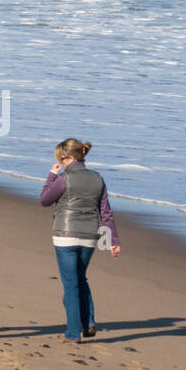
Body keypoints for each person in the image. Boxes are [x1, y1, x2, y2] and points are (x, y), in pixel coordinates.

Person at [39, 138, 120, 342]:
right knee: (80, 279)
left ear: (70, 158)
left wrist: (51, 175)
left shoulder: (63, 178)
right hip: (90, 235)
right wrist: (113, 240)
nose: (60, 162)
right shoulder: (97, 178)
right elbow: (106, 212)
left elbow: (45, 199)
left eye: (61, 159)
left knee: (71, 284)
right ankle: (88, 322)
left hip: (65, 235)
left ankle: (73, 332)